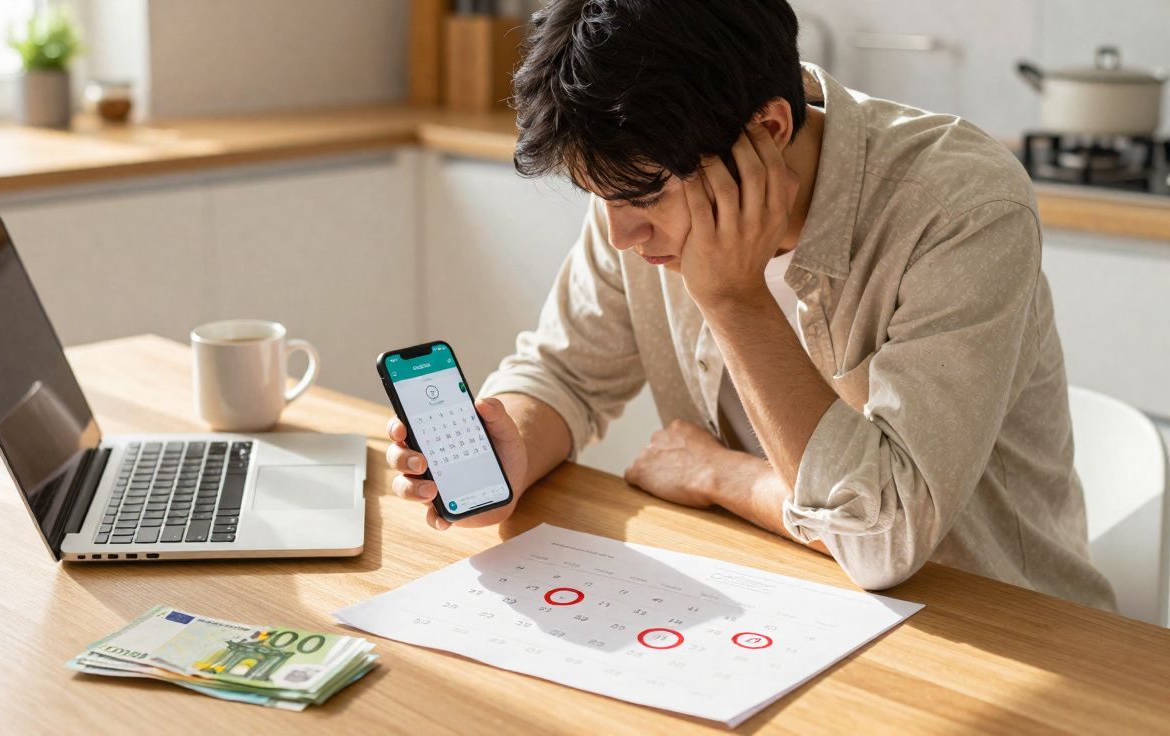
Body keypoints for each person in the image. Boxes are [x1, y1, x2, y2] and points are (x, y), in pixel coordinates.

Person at [385, 0, 1116, 610]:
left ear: (768, 130)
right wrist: (513, 449)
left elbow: (881, 536)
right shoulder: (641, 176)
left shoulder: (958, 204)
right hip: (781, 596)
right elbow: (566, 374)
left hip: (999, 627)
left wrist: (729, 338)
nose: (620, 235)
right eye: (599, 198)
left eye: (641, 199)